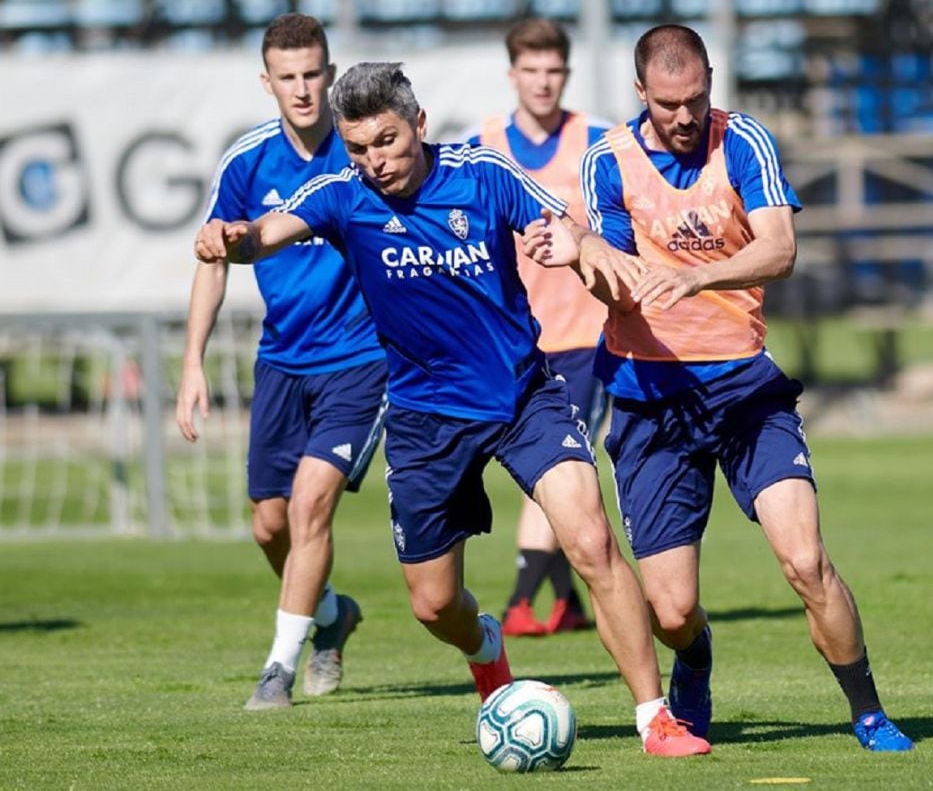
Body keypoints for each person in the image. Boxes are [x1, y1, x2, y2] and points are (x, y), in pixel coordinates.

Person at [194, 61, 710, 757]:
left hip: (524, 398)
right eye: (360, 149)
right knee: (435, 605)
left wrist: (586, 248)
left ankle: (655, 718)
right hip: (423, 421)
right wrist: (231, 239)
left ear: (419, 125)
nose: (376, 162)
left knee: (590, 540)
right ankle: (487, 647)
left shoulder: (482, 175)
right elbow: (264, 234)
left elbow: (563, 227)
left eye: (386, 142)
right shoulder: (343, 195)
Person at [563, 23, 914, 752]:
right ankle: (695, 655)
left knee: (805, 560)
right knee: (671, 609)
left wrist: (696, 275)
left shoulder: (743, 141)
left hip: (744, 390)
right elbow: (614, 281)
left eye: (695, 98)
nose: (685, 116)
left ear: (711, 82)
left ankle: (870, 713)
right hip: (648, 399)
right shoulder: (610, 162)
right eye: (667, 104)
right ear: (640, 95)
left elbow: (780, 248)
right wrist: (585, 257)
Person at [176, 13, 387, 711]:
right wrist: (192, 364)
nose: (302, 90)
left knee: (309, 504)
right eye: (288, 77)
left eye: (313, 74)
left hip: (359, 359)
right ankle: (331, 614)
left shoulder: (362, 152)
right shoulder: (247, 162)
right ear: (267, 82)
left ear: (330, 75)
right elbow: (213, 258)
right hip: (281, 362)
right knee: (268, 523)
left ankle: (279, 668)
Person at [462, 18, 609, 637]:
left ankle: (522, 600)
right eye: (532, 70)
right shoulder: (481, 148)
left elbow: (619, 230)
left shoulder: (598, 144)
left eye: (553, 71)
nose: (543, 82)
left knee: (555, 465)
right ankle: (567, 600)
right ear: (512, 74)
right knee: (536, 472)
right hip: (513, 340)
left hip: (584, 335)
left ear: (566, 75)